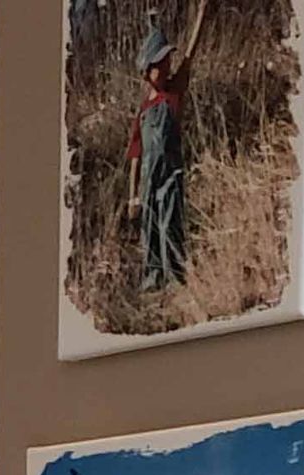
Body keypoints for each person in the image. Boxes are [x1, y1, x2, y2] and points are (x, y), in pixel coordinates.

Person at [126, 2, 209, 292]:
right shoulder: (143, 110)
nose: (166, 67)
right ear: (146, 71)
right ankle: (153, 279)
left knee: (169, 224)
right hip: (149, 180)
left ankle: (175, 279)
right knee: (150, 227)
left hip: (171, 173)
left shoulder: (174, 92)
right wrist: (132, 197)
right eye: (159, 64)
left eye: (167, 62)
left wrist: (201, 14)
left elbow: (190, 54)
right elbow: (135, 156)